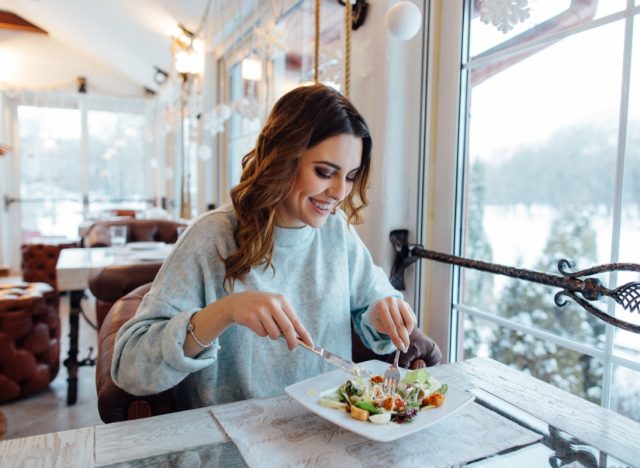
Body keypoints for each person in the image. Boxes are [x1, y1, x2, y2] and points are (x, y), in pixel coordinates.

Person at [112, 83, 440, 409]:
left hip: (329, 431)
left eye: (351, 176)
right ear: (283, 158)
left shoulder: (336, 231)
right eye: (325, 172)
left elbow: (375, 307)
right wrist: (225, 312)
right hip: (234, 446)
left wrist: (383, 313)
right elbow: (129, 367)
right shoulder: (212, 236)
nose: (340, 192)